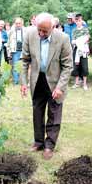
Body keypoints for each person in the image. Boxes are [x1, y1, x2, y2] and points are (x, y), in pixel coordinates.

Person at [21, 12, 73, 160]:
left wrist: (60, 87)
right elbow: (25, 61)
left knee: (54, 113)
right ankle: (38, 142)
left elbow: (68, 66)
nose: (41, 33)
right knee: (37, 111)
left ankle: (49, 145)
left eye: (45, 31)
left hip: (56, 81)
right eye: (39, 30)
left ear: (53, 27)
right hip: (37, 79)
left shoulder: (63, 38)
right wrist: (24, 83)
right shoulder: (30, 35)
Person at [71, 15, 90, 90]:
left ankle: (85, 84)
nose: (78, 22)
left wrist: (81, 42)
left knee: (84, 67)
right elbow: (73, 40)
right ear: (75, 22)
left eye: (80, 20)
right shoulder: (74, 30)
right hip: (76, 49)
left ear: (82, 21)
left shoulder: (85, 29)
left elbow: (87, 38)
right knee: (76, 66)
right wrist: (77, 42)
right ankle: (76, 83)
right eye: (77, 21)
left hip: (84, 49)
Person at [7, 17, 25, 84]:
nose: (18, 25)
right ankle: (15, 81)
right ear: (14, 24)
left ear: (22, 23)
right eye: (16, 23)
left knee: (23, 66)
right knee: (15, 66)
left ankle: (23, 81)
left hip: (23, 51)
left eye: (19, 23)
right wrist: (9, 51)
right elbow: (8, 41)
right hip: (15, 50)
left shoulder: (25, 30)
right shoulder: (11, 31)